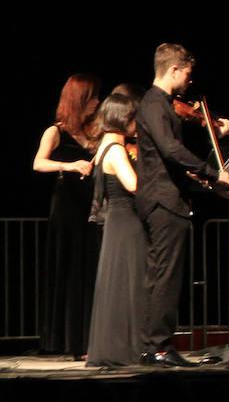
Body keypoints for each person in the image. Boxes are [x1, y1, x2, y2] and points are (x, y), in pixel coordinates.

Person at [135, 43, 229, 367]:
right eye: (188, 74)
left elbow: (171, 158)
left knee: (162, 275)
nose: (190, 81)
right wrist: (212, 172)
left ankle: (155, 346)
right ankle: (158, 347)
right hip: (163, 200)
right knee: (166, 276)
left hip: (165, 197)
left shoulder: (161, 104)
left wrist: (203, 182)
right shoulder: (153, 103)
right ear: (174, 69)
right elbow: (170, 150)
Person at [31, 73, 101, 357]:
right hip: (67, 208)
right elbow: (38, 163)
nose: (98, 101)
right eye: (93, 96)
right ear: (80, 99)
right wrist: (71, 166)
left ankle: (85, 341)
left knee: (88, 272)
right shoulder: (55, 132)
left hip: (88, 207)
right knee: (69, 269)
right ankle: (66, 341)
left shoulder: (93, 132)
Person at [86, 93, 146, 366]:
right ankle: (125, 349)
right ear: (124, 119)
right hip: (126, 223)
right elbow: (134, 185)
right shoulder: (117, 150)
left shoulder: (103, 146)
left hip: (115, 223)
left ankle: (115, 346)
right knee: (128, 285)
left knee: (116, 285)